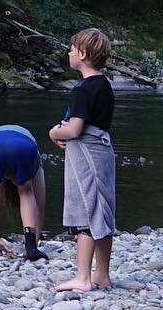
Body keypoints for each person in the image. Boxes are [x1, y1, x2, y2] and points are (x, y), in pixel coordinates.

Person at [49, 27, 116, 292]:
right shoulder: (105, 85)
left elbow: (75, 129)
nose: (68, 52)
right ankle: (102, 275)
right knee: (103, 210)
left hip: (86, 155)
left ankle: (82, 278)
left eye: (72, 48)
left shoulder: (82, 89)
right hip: (103, 151)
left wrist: (54, 131)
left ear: (84, 54)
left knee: (85, 211)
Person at [0, 125, 47, 262]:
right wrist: (35, 243)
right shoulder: (36, 162)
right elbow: (40, 208)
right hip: (22, 144)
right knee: (26, 191)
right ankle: (31, 248)